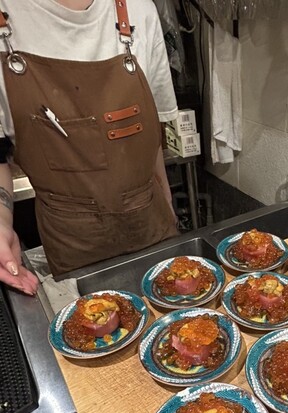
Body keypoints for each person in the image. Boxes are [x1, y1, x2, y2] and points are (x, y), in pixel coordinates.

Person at [0, 0, 180, 295]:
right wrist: (2, 222)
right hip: (73, 246)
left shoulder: (139, 9)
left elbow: (150, 137)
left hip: (151, 224)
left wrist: (167, 201)